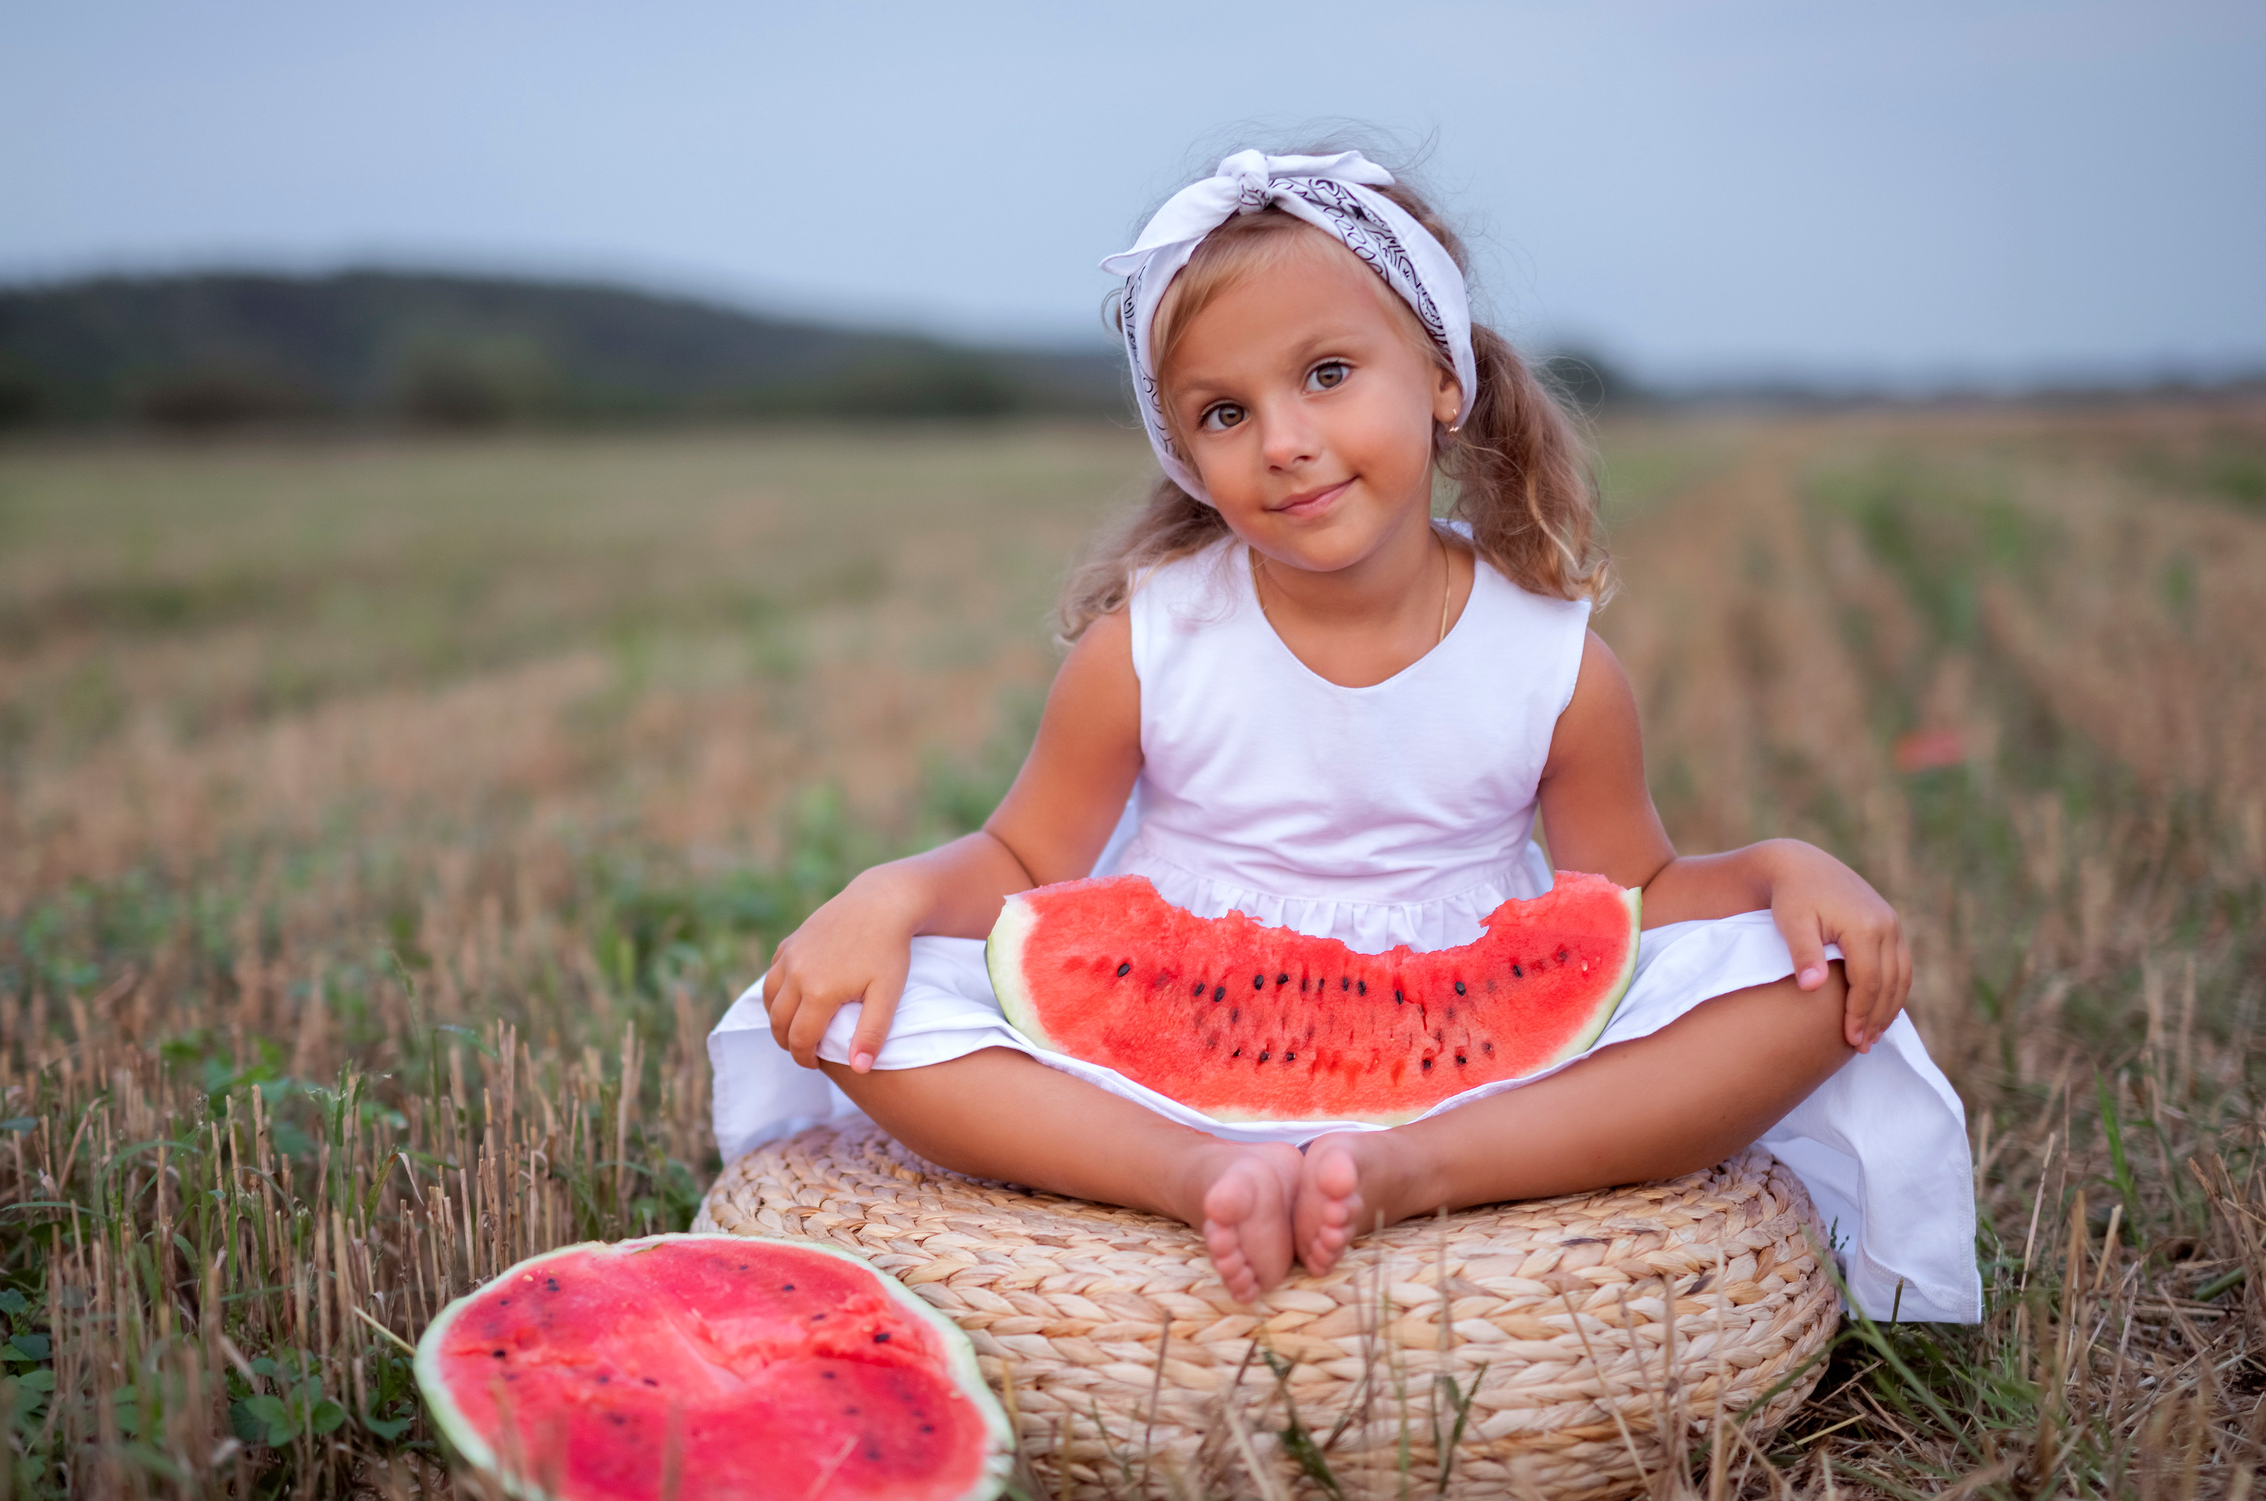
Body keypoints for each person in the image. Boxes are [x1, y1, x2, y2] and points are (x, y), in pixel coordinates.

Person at [710, 149, 1979, 1322]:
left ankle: (1408, 1169)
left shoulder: (1553, 663)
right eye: (1222, 414)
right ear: (1187, 460)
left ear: (1439, 377)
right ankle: (1189, 1171)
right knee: (863, 1017)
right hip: (1156, 1049)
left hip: (1485, 1061)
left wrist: (1776, 873)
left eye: (1326, 375)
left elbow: (1634, 895)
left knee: (1808, 998)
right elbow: (1025, 866)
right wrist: (889, 895)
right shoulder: (1148, 646)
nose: (1286, 443)